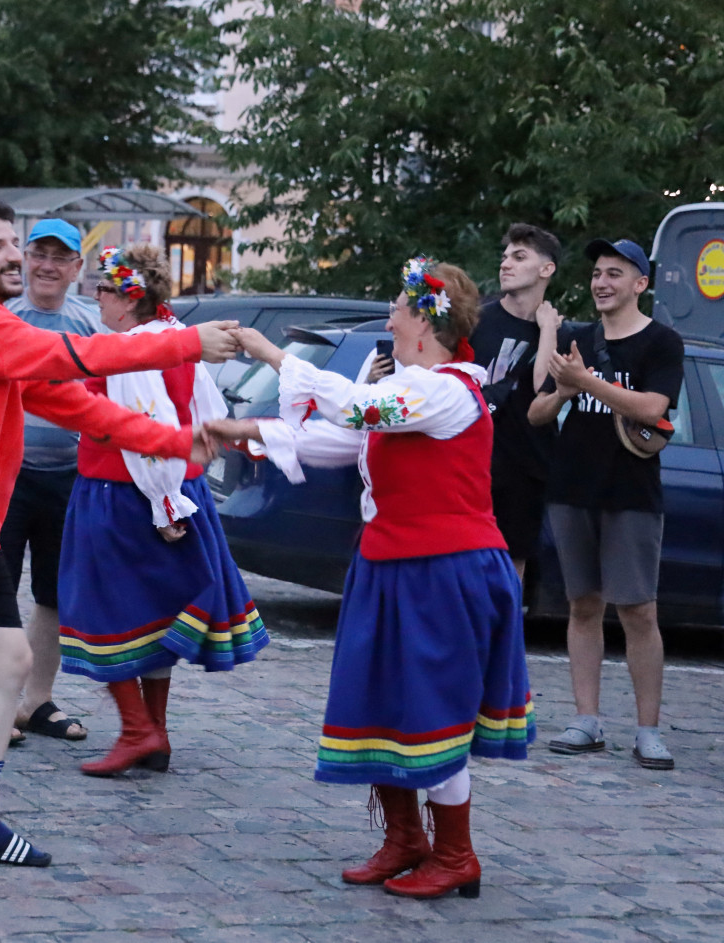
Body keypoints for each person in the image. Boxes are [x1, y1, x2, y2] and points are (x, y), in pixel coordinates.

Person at [0, 199, 240, 866]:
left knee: (10, 665)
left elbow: (75, 404)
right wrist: (187, 339)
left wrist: (181, 442)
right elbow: (79, 355)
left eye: (15, 241)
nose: (14, 255)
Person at [208, 257, 536, 900]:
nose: (389, 313)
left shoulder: (444, 389)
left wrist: (272, 353)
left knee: (432, 707)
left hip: (444, 571)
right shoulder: (409, 393)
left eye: (398, 304)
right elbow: (337, 440)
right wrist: (243, 431)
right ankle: (406, 838)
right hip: (393, 567)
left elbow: (357, 408)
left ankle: (456, 854)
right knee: (384, 702)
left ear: (423, 320)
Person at [57, 243, 269, 777]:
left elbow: (145, 428)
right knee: (149, 612)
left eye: (103, 289)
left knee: (105, 609)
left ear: (128, 300)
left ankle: (138, 730)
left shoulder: (128, 348)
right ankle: (155, 733)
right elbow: (210, 414)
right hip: (164, 489)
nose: (96, 297)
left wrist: (165, 501)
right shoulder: (171, 340)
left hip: (128, 493)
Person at [528, 238, 683, 771]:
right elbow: (537, 412)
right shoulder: (576, 338)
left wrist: (586, 380)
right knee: (582, 605)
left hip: (633, 494)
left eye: (615, 274)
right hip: (572, 489)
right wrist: (567, 391)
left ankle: (648, 731)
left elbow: (653, 407)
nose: (602, 282)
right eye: (597, 273)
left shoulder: (662, 342)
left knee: (639, 610)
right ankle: (586, 721)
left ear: (640, 284)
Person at [0, 219, 101, 744]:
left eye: (61, 258)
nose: (47, 265)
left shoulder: (88, 325)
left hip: (68, 478)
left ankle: (36, 701)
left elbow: (111, 395)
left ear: (76, 269)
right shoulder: (1, 319)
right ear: (24, 259)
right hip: (4, 476)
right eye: (39, 253)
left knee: (54, 595)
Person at [470, 223, 562, 579]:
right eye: (505, 256)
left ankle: (503, 636)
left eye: (519, 256)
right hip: (469, 462)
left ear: (546, 269)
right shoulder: (475, 318)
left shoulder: (556, 331)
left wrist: (548, 329)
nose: (505, 263)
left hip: (525, 468)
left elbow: (544, 386)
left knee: (510, 571)